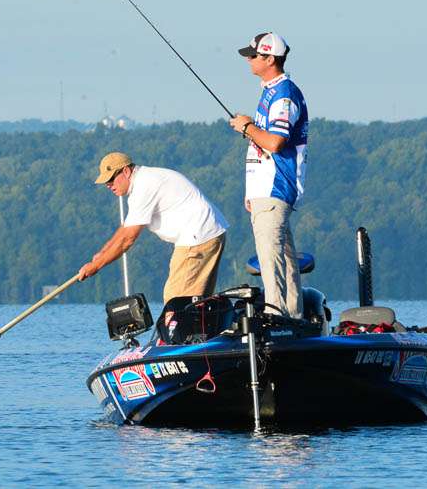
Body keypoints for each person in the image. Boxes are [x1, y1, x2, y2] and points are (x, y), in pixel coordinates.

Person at [228, 32, 308, 319]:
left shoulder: (283, 95)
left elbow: (275, 142)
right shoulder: (271, 91)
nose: (249, 60)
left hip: (275, 189)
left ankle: (276, 316)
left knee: (270, 256)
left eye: (254, 55)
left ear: (270, 59)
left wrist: (246, 128)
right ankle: (293, 316)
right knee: (284, 257)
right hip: (265, 192)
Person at [78, 152, 228, 304]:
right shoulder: (144, 181)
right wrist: (103, 253)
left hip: (196, 238)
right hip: (209, 232)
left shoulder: (143, 187)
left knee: (175, 302)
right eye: (106, 182)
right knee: (196, 303)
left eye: (111, 179)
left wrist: (96, 266)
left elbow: (127, 239)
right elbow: (126, 228)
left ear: (126, 171)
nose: (108, 185)